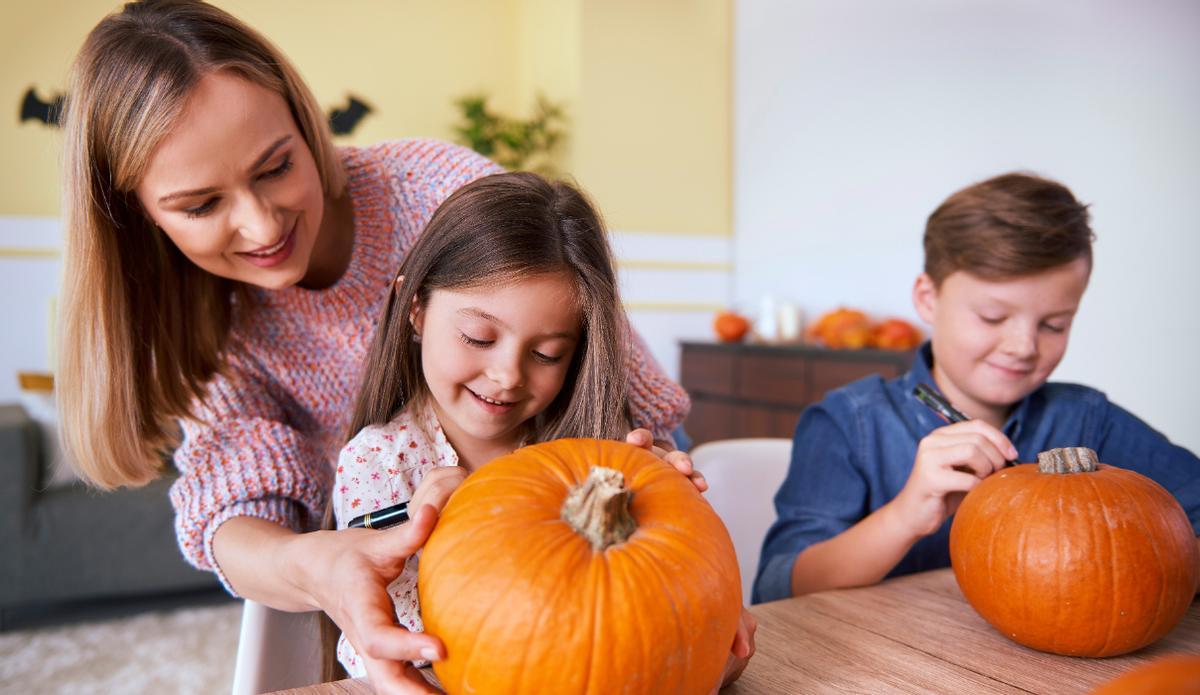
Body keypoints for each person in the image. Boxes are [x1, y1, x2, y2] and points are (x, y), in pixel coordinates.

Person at [56, 2, 692, 692]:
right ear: (138, 217)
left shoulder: (437, 196)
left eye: (275, 166)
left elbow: (630, 402)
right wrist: (322, 564)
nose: (261, 222)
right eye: (202, 205)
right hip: (409, 588)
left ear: (304, 122)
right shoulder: (203, 314)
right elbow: (238, 516)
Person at [327, 171, 754, 688]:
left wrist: (663, 508)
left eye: (546, 353)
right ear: (415, 309)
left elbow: (655, 635)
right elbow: (405, 637)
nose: (508, 375)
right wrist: (432, 527)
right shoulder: (378, 462)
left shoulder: (596, 452)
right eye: (478, 337)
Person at [754, 172, 1200, 603]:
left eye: (1054, 324)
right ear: (928, 299)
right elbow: (778, 588)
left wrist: (1120, 566)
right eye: (992, 317)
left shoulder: (1087, 420)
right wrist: (905, 516)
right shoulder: (848, 424)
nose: (1023, 346)